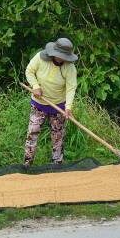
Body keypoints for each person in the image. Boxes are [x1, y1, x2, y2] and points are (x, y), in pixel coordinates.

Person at [23, 37, 78, 166]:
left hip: (58, 106)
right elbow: (29, 71)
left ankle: (57, 165)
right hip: (39, 104)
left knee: (58, 137)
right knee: (32, 133)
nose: (61, 58)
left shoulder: (70, 68)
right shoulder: (40, 58)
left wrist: (68, 107)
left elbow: (71, 87)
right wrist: (35, 86)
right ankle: (27, 164)